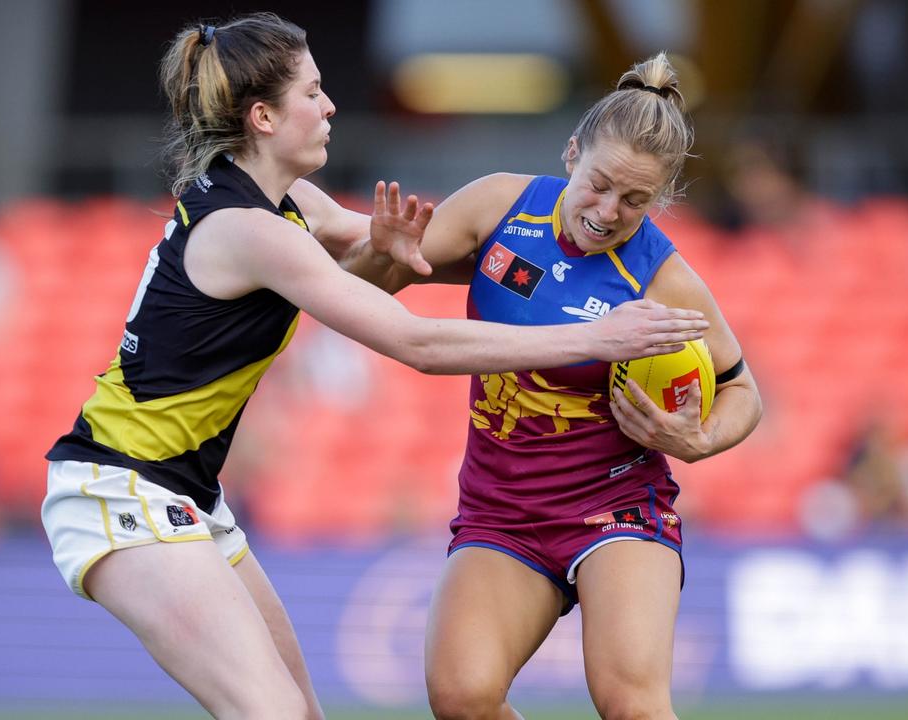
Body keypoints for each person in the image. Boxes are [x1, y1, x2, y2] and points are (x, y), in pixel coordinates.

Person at [39, 15, 709, 720]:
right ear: (264, 117)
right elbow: (416, 344)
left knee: (300, 713)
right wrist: (595, 337)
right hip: (121, 489)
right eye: (313, 92)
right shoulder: (248, 229)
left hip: (183, 492)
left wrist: (398, 249)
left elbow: (399, 254)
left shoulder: (284, 203)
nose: (330, 106)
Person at [348, 53, 762, 719]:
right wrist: (378, 252)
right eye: (599, 184)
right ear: (572, 154)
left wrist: (701, 437)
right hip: (499, 513)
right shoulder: (499, 207)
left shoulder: (664, 278)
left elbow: (744, 390)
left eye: (636, 201)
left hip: (617, 509)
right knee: (461, 698)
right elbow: (373, 288)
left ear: (661, 201)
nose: (607, 212)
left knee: (630, 703)